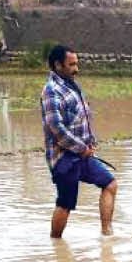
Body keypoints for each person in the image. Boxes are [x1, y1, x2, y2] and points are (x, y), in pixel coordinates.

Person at [40, 45, 117, 238]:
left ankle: (107, 234)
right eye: (72, 64)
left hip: (82, 155)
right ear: (58, 65)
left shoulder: (72, 85)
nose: (76, 68)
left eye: (77, 63)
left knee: (110, 184)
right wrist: (82, 148)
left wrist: (90, 142)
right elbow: (56, 128)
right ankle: (55, 243)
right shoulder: (51, 91)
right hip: (64, 158)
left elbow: (82, 118)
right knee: (65, 204)